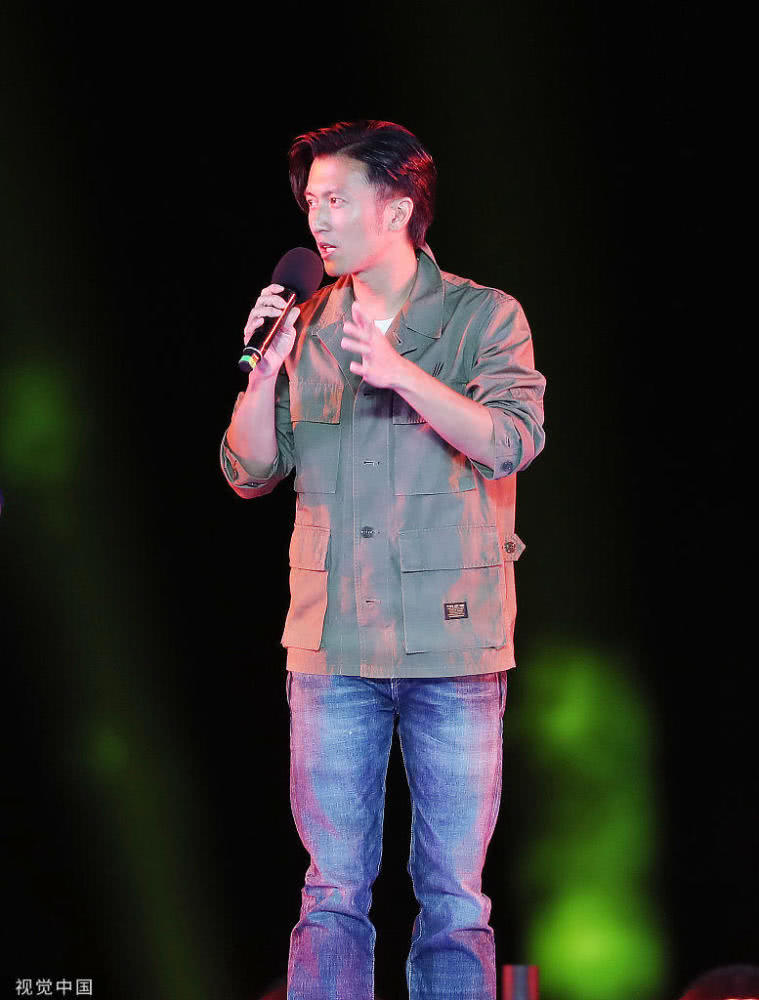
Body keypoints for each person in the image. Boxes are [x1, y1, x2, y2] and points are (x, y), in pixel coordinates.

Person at [220, 120, 546, 1000]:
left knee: (454, 898)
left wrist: (403, 372)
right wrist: (263, 372)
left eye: (337, 200)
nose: (318, 220)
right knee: (329, 891)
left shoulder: (484, 316)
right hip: (330, 644)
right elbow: (248, 471)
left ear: (397, 209)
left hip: (454, 642)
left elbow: (511, 440)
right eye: (311, 202)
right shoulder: (306, 322)